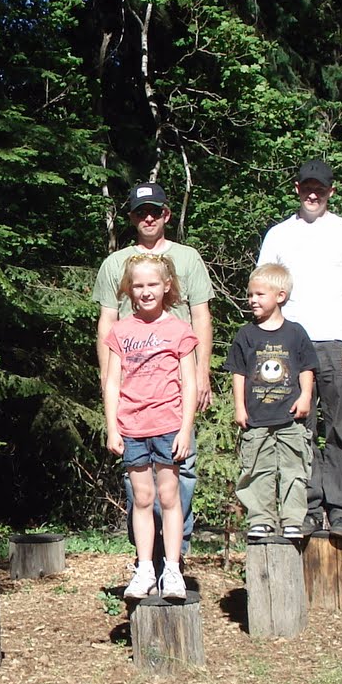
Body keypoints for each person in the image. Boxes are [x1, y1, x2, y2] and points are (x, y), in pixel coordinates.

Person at [93, 182, 213, 552]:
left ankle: (178, 552)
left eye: (155, 211)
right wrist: (106, 377)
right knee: (137, 479)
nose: (148, 217)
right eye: (140, 212)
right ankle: (147, 555)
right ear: (131, 217)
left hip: (176, 383)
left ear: (166, 215)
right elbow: (106, 322)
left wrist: (203, 372)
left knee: (182, 465)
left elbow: (201, 316)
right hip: (133, 387)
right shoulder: (116, 264)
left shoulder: (188, 258)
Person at [257, 159, 342, 538]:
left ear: (330, 192)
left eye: (320, 188)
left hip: (339, 343)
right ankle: (303, 507)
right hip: (290, 346)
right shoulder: (277, 235)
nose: (313, 193)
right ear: (297, 188)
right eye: (307, 186)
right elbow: (265, 287)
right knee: (296, 429)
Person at [104, 254, 198, 600]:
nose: (146, 292)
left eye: (152, 285)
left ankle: (172, 570)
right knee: (142, 498)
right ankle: (145, 569)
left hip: (168, 425)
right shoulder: (121, 331)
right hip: (132, 426)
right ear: (129, 289)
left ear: (166, 286)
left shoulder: (179, 331)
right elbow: (112, 382)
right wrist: (113, 428)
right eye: (139, 285)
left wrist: (185, 430)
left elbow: (189, 384)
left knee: (170, 496)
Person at [225, 263, 319, 541]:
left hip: (290, 417)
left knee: (294, 470)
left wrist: (305, 396)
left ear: (280, 296)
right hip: (256, 418)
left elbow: (307, 368)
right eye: (250, 294)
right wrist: (240, 407)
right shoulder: (246, 334)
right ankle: (261, 519)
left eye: (259, 295)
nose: (252, 300)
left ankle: (292, 519)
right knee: (257, 471)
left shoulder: (295, 333)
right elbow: (239, 372)